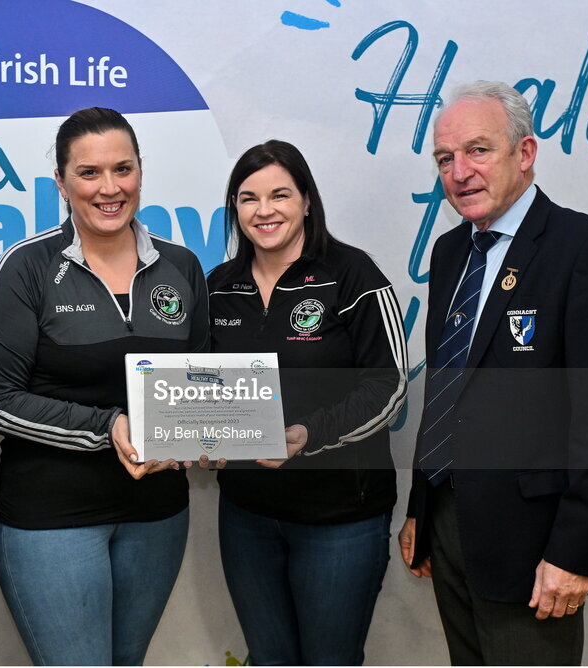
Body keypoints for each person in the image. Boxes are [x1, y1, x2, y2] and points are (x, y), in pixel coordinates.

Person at [398, 81, 588, 665]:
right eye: (444, 159)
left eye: (478, 151)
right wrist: (422, 508)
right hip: (452, 527)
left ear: (526, 152)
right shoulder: (450, 252)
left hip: (538, 549)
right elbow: (447, 391)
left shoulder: (587, 248)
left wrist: (577, 553)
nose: (459, 172)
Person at [0, 107, 209, 666]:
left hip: (158, 515)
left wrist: (211, 432)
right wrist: (109, 428)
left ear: (141, 171)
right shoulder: (25, 268)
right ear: (60, 182)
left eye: (122, 169)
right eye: (89, 173)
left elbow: (200, 381)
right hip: (53, 519)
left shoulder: (182, 266)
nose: (110, 188)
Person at [207, 140, 408, 665]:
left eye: (280, 195)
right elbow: (199, 386)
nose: (264, 210)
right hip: (247, 516)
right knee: (269, 658)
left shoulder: (353, 275)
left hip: (340, 518)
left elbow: (387, 386)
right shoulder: (219, 287)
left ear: (307, 201)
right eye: (248, 198)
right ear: (235, 208)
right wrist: (194, 436)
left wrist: (308, 434)